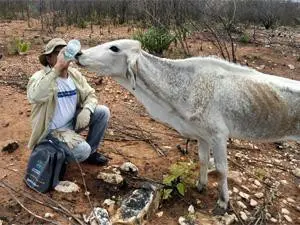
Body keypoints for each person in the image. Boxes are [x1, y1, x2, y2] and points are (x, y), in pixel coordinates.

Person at [27, 38, 110, 166]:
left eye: (66, 52)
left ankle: (92, 153)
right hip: (52, 132)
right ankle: (53, 154)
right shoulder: (40, 77)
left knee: (102, 112)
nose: (64, 56)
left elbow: (90, 94)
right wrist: (57, 68)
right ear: (49, 58)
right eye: (59, 53)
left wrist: (87, 110)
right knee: (83, 150)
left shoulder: (74, 75)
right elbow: (35, 96)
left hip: (71, 124)